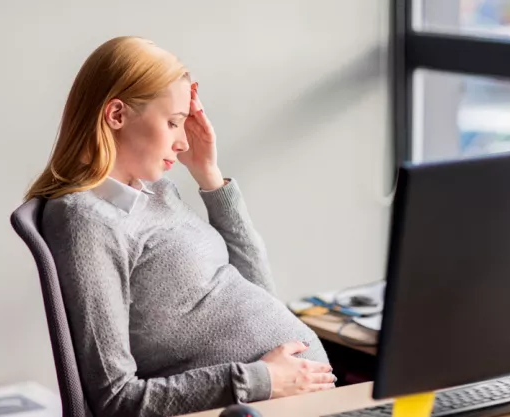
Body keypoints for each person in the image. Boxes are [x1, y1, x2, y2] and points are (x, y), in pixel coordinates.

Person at [25, 36, 334, 417]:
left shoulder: (155, 191)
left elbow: (260, 293)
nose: (184, 142)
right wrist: (260, 380)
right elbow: (115, 399)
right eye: (172, 123)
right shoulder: (85, 220)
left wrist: (210, 176)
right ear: (116, 115)